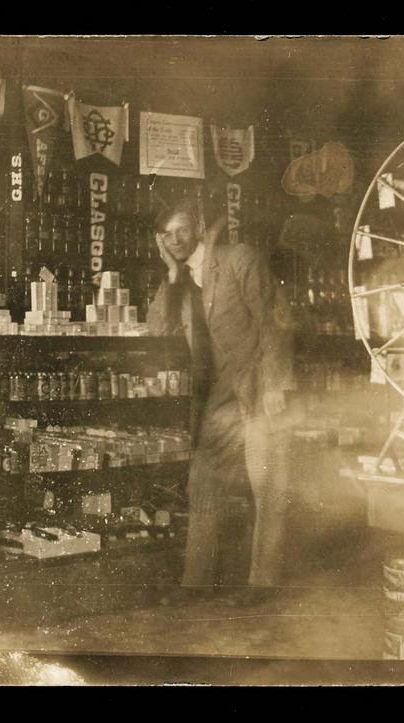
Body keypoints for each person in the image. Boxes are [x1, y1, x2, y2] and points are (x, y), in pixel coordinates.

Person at [148, 198, 295, 606]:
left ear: (196, 226)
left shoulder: (237, 259)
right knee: (204, 484)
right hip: (220, 397)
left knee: (267, 485)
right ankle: (195, 582)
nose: (175, 240)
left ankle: (263, 584)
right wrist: (172, 274)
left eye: (181, 231)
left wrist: (276, 385)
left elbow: (274, 320)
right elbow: (156, 327)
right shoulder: (181, 279)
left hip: (258, 387)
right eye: (166, 236)